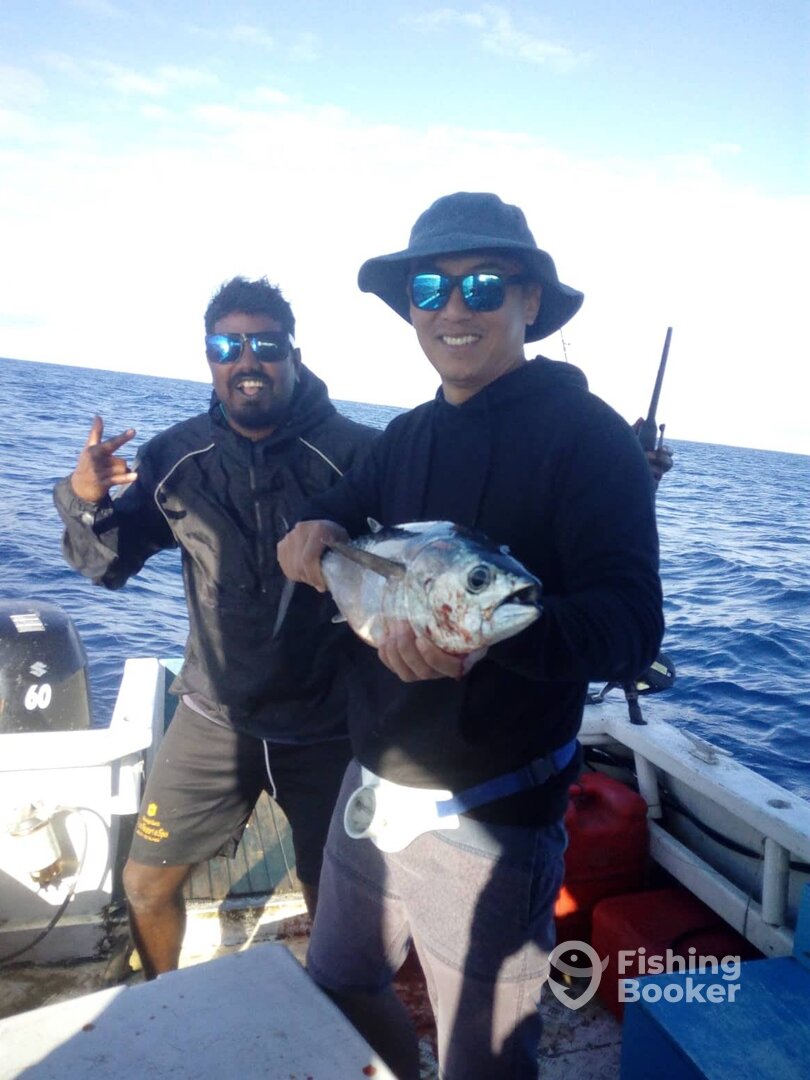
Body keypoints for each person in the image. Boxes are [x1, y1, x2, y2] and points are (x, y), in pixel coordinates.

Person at [278, 192, 664, 1079]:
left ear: (529, 301)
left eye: (483, 285)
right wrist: (316, 530)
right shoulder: (405, 437)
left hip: (493, 818)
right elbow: (342, 511)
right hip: (370, 785)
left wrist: (491, 639)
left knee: (482, 1062)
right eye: (431, 288)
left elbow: (633, 627)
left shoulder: (591, 440)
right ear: (411, 308)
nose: (454, 307)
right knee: (338, 986)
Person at [54, 276, 377, 979]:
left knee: (332, 896)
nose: (247, 360)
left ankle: (335, 1010)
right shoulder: (177, 456)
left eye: (266, 344)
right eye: (227, 346)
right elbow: (109, 565)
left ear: (294, 355)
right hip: (213, 714)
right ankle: (166, 1001)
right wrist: (83, 501)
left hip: (327, 723)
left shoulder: (358, 455)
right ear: (208, 359)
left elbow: (430, 559)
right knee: (144, 883)